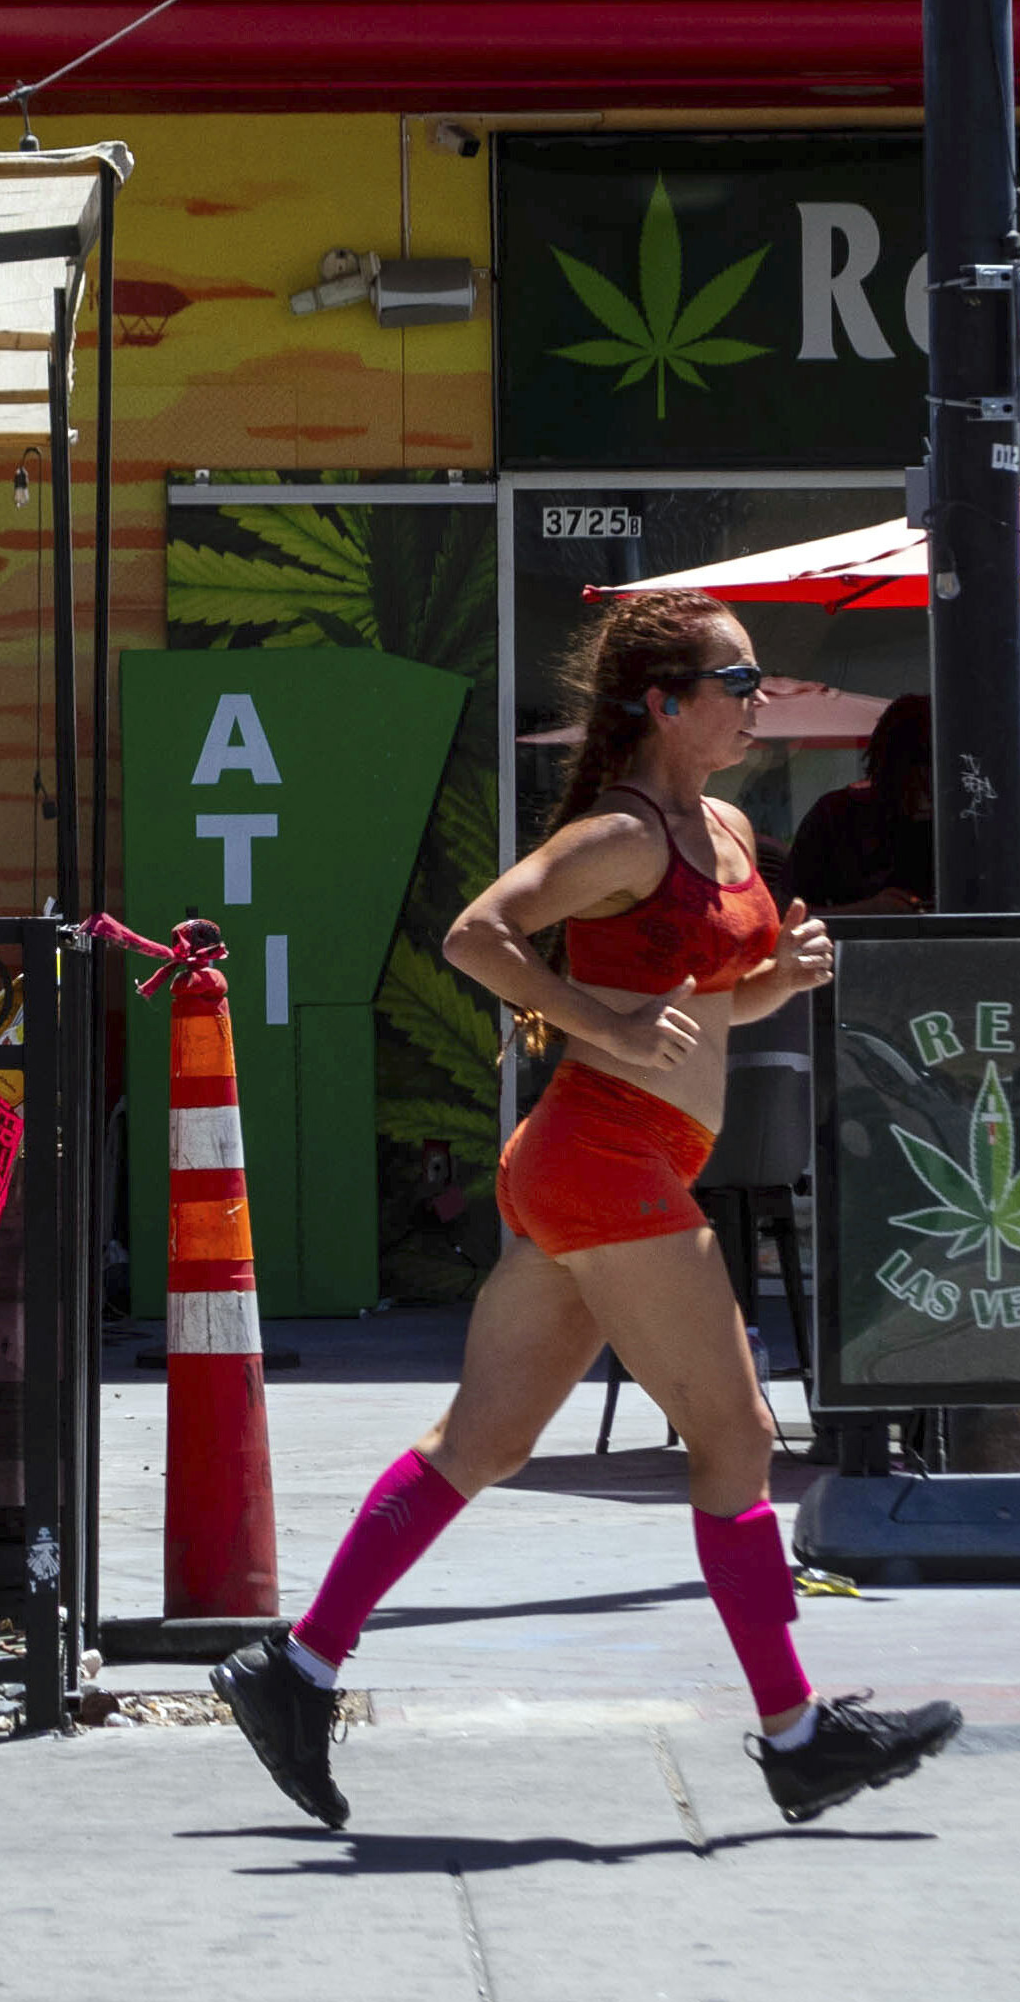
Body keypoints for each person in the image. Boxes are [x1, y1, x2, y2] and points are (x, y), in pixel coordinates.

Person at [214, 590, 962, 1831]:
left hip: (603, 1165)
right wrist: (602, 1018)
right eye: (738, 677)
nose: (758, 696)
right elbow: (475, 935)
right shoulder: (622, 835)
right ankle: (795, 1734)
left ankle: (294, 1668)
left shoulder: (720, 824)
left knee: (481, 1443)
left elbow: (722, 998)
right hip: (605, 1160)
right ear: (666, 702)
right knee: (737, 1443)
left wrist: (787, 970)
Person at [784, 692, 935, 912]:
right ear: (892, 763)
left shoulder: (965, 822)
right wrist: (867, 912)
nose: (930, 781)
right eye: (922, 763)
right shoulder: (838, 815)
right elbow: (784, 911)